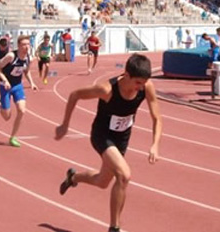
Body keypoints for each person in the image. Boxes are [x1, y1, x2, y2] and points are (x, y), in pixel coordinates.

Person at [55, 53, 163, 232]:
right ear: (126, 75)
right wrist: (65, 125)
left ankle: (73, 177)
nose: (140, 87)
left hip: (122, 138)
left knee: (102, 181)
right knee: (124, 175)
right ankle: (114, 228)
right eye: (137, 83)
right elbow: (75, 95)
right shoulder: (106, 90)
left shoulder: (146, 87)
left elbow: (157, 118)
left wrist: (155, 144)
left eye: (143, 83)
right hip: (102, 135)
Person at [0, 35, 38, 147]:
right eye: (24, 45)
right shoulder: (11, 56)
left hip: (18, 86)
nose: (26, 47)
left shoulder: (29, 58)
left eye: (28, 44)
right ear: (18, 46)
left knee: (22, 111)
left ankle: (13, 137)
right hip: (5, 86)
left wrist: (32, 83)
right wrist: (5, 80)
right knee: (7, 117)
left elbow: (26, 71)